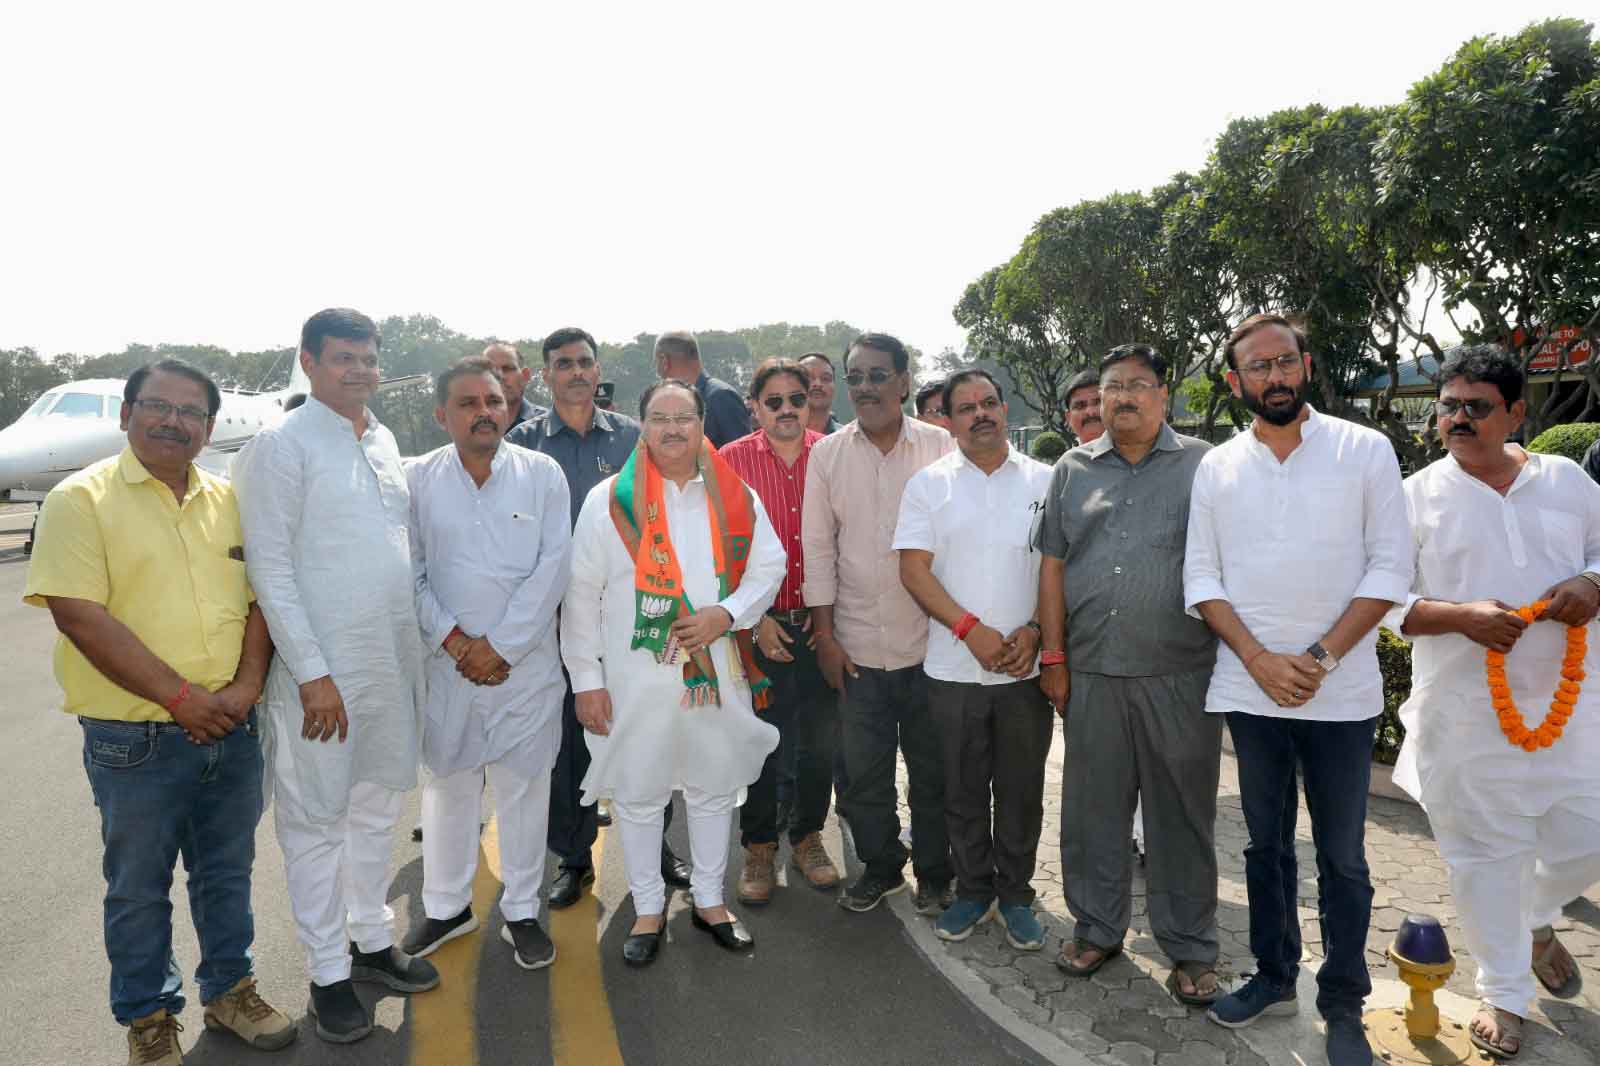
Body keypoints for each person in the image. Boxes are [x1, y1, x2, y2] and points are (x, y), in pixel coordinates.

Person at [25, 359, 294, 1066]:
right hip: (134, 739)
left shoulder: (229, 500)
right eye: (157, 406)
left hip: (234, 727)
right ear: (126, 414)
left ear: (208, 429)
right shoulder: (79, 500)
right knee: (139, 889)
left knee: (226, 874)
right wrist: (182, 700)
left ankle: (229, 991)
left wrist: (244, 687)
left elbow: (261, 599)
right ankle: (148, 1019)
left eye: (190, 413)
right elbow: (79, 615)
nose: (172, 421)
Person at [1184, 313, 1412, 1066]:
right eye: (1258, 367)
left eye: (1285, 362)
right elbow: (1202, 577)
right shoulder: (1217, 467)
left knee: (1343, 857)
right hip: (1250, 693)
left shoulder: (1364, 448)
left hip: (1340, 697)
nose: (1274, 377)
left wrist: (1316, 656)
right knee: (1263, 846)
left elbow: (1389, 568)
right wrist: (1256, 658)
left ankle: (1344, 1001)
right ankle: (1276, 975)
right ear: (1235, 382)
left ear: (1305, 365)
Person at [1387, 344, 1600, 1059]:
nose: (1456, 419)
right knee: (1484, 860)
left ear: (1516, 413)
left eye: (1476, 407)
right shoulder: (1414, 495)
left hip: (1575, 711)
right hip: (1464, 717)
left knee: (1588, 835)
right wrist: (1460, 616)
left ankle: (1537, 915)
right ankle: (1504, 992)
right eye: (1447, 406)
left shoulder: (1566, 479)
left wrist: (1593, 582)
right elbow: (1382, 601)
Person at [232, 309, 438, 1045]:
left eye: (369, 358)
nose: (359, 369)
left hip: (388, 668)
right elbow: (271, 568)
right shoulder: (279, 446)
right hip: (318, 679)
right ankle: (327, 975)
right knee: (316, 824)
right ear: (309, 362)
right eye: (343, 357)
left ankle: (372, 942)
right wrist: (312, 672)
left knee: (376, 807)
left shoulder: (382, 440)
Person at [562, 379, 785, 966]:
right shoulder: (610, 501)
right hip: (634, 679)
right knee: (639, 794)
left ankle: (711, 901)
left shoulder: (734, 496)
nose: (672, 429)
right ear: (641, 425)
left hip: (715, 669)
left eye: (683, 416)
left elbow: (769, 567)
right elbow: (581, 595)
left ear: (701, 422)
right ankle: (648, 907)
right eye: (658, 417)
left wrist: (726, 613)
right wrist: (586, 680)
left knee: (713, 789)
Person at [1035, 345, 1222, 1002]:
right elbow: (1052, 566)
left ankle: (1192, 946)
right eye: (1113, 386)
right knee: (1092, 812)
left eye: (1139, 385)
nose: (1124, 398)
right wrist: (1053, 657)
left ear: (1165, 396)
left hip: (1182, 675)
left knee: (1182, 815)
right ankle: (1097, 927)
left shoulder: (1205, 466)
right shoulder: (1072, 470)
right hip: (1091, 675)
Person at [505, 329, 694, 906]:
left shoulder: (636, 438)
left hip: (636, 619)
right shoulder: (523, 445)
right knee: (568, 741)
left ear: (597, 368)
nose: (577, 372)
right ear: (546, 374)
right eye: (564, 364)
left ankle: (656, 849)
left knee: (646, 734)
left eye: (585, 362)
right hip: (555, 617)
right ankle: (574, 856)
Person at [401, 357, 572, 971]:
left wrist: (499, 647)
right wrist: (455, 642)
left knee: (525, 791)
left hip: (522, 670)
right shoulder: (416, 479)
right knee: (449, 788)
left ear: (509, 407)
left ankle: (522, 911)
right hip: (447, 669)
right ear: (441, 414)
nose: (484, 413)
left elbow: (554, 566)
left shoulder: (542, 473)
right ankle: (446, 907)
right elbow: (410, 571)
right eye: (469, 403)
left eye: (494, 401)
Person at [896, 369, 1053, 949]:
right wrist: (970, 630)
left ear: (1005, 409)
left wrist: (1035, 632)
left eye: (989, 403)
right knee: (960, 792)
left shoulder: (1047, 479)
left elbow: (1056, 571)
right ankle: (972, 891)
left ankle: (1015, 896)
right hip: (953, 670)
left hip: (1023, 672)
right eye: (966, 407)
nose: (980, 414)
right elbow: (913, 570)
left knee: (1020, 791)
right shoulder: (928, 485)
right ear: (949, 418)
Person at [802, 332, 956, 914]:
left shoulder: (942, 447)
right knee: (863, 775)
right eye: (856, 377)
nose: (865, 387)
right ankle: (882, 866)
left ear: (904, 382)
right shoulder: (828, 455)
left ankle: (938, 872)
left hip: (932, 647)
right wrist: (825, 636)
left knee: (933, 770)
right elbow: (817, 549)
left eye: (877, 375)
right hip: (857, 646)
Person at [719, 359, 843, 905]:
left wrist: (830, 619)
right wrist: (755, 617)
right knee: (761, 744)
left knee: (821, 744)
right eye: (775, 401)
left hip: (822, 629)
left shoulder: (835, 455)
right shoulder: (731, 461)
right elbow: (719, 547)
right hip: (760, 632)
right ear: (755, 407)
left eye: (797, 398)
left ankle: (809, 837)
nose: (788, 409)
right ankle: (759, 845)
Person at [654, 329, 751, 448]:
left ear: (664, 361)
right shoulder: (685, 401)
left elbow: (744, 453)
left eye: (656, 363)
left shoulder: (720, 397)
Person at [482, 341, 545, 429]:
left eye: (508, 369)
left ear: (525, 375)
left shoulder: (546, 424)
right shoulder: (467, 426)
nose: (501, 376)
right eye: (491, 370)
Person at [799, 352, 843, 435]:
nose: (818, 384)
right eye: (808, 378)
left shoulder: (848, 439)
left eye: (825, 378)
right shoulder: (775, 438)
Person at [1064, 369, 1103, 445]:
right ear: (1068, 417)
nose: (1090, 412)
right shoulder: (1069, 457)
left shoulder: (1131, 456)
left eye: (1098, 402)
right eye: (1080, 406)